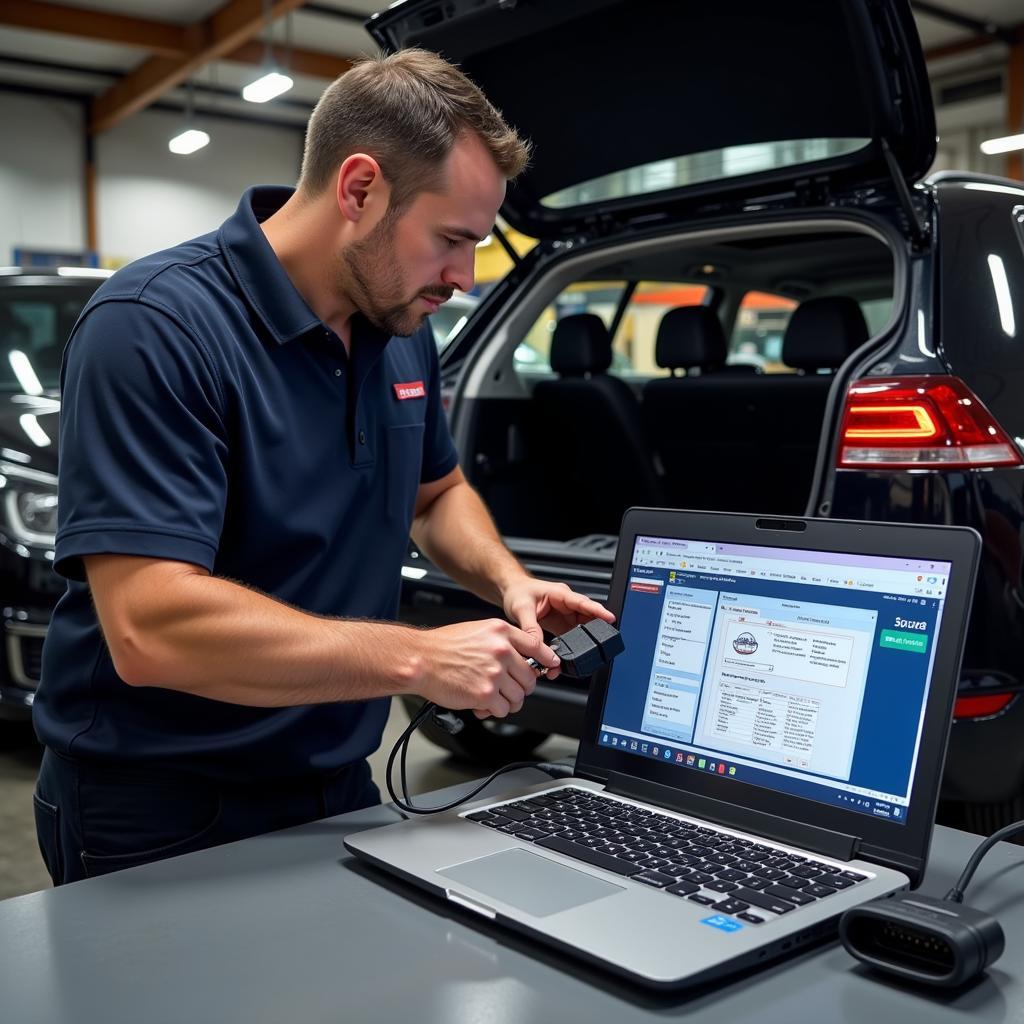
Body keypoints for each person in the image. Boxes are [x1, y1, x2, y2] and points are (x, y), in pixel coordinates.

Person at [32, 48, 613, 886]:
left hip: (335, 781)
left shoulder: (402, 326)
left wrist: (510, 584)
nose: (465, 275)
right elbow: (149, 629)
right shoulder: (153, 326)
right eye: (451, 239)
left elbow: (437, 492)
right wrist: (419, 659)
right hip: (161, 802)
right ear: (359, 189)